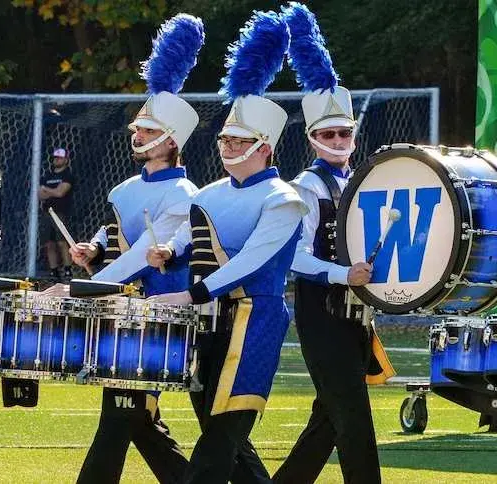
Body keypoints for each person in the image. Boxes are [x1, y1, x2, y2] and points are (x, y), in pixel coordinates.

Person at [146, 11, 307, 483]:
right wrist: (169, 253)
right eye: (223, 139)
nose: (226, 146)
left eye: (238, 140)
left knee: (222, 434)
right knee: (221, 433)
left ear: (264, 146)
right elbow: (189, 235)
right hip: (209, 322)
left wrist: (190, 294)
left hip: (254, 319)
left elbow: (254, 260)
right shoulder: (209, 192)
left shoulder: (284, 199)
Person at [47, 14, 204, 484]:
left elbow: (145, 256)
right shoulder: (124, 188)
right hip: (120, 309)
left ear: (171, 140)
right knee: (134, 417)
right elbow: (118, 235)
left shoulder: (186, 193)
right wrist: (92, 249)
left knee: (121, 415)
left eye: (146, 129)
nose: (136, 136)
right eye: (137, 128)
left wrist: (83, 287)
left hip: (159, 312)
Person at [272, 4, 388, 483]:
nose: (338, 138)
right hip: (322, 313)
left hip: (356, 313)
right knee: (353, 418)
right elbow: (294, 257)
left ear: (354, 137)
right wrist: (344, 275)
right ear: (313, 139)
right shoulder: (305, 186)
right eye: (328, 133)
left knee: (328, 420)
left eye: (344, 132)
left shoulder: (363, 180)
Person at [38, 147, 75, 280]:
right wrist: (50, 191)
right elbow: (40, 195)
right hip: (47, 212)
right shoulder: (47, 176)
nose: (57, 159)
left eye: (60, 157)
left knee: (62, 242)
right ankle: (54, 271)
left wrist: (47, 190)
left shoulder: (68, 175)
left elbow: (61, 192)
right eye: (55, 157)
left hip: (62, 213)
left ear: (66, 159)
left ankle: (67, 270)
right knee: (49, 243)